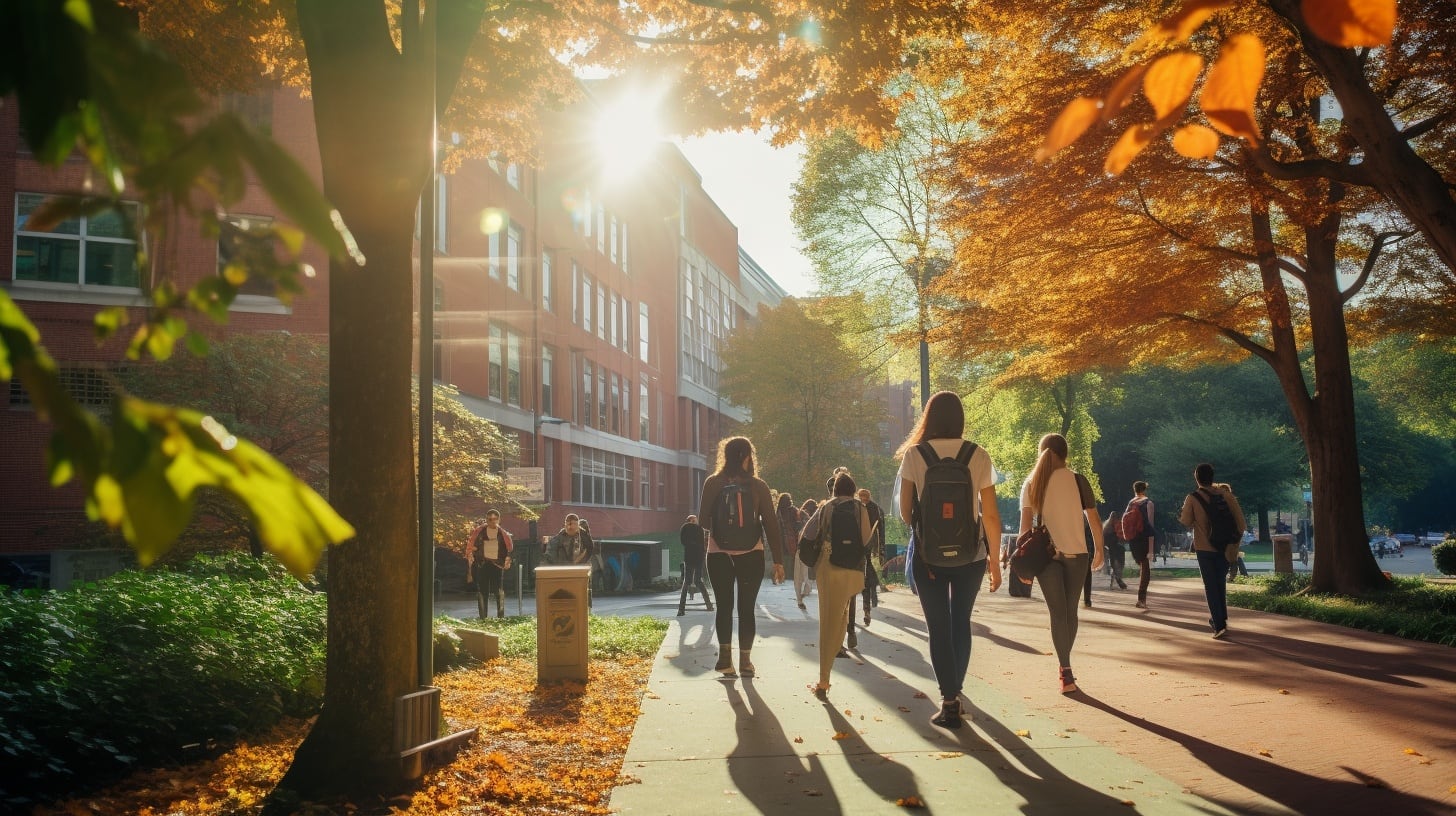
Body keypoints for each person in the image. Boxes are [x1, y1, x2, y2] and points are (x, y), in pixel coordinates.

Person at [895, 391, 1002, 728]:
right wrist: (996, 562)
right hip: (971, 555)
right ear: (960, 419)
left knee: (938, 627)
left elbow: (903, 513)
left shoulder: (915, 454)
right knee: (961, 622)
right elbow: (992, 517)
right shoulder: (978, 455)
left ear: (929, 418)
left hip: (929, 555)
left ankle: (949, 700)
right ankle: (957, 689)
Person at [1019, 433, 1104, 694]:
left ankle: (1065, 672)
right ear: (1065, 454)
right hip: (1077, 555)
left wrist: (1023, 566)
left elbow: (1025, 529)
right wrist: (1099, 548)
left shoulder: (1032, 482)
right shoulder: (1078, 480)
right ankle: (1066, 668)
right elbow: (1093, 518)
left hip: (1045, 557)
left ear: (1042, 452)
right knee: (1070, 613)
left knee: (1057, 614)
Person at [698, 436, 783, 678]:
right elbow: (771, 524)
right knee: (746, 608)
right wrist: (778, 560)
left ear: (725, 456)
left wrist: (722, 526)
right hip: (751, 554)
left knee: (723, 606)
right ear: (747, 457)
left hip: (718, 554)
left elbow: (703, 521)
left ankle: (725, 660)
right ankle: (745, 661)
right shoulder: (758, 486)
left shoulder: (713, 482)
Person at [802, 473, 872, 699]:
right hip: (852, 569)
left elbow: (808, 534)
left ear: (834, 490)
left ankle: (824, 679)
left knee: (827, 619)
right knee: (842, 614)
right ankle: (837, 645)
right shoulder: (860, 509)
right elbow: (866, 539)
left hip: (828, 565)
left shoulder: (826, 507)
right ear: (853, 489)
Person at [1178, 462, 1248, 640]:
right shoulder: (1226, 496)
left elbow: (1186, 521)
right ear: (1212, 477)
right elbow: (1241, 524)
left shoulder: (1193, 498)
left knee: (1210, 586)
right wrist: (1233, 543)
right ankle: (1221, 618)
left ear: (1196, 478)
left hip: (1204, 547)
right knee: (1220, 583)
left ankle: (1218, 624)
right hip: (1224, 547)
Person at [467, 509, 513, 618]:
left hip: (497, 565)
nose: (492, 521)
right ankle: (483, 618)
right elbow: (471, 545)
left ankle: (500, 617)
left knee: (498, 591)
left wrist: (507, 560)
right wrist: (472, 554)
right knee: (482, 592)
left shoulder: (503, 534)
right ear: (486, 519)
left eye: (494, 519)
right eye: (490, 519)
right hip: (482, 564)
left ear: (499, 520)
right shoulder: (478, 532)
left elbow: (509, 549)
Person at [1123, 481, 1155, 608]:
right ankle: (1141, 599)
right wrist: (1151, 549)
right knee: (1145, 569)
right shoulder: (1149, 503)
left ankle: (1141, 599)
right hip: (1143, 539)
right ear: (1145, 490)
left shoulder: (1130, 503)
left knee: (1141, 564)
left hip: (1133, 539)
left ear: (1134, 490)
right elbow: (1151, 526)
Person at [775, 494, 809, 610]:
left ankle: (782, 575)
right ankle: (793, 579)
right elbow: (803, 523)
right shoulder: (795, 511)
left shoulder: (778, 512)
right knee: (797, 563)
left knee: (787, 561)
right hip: (795, 541)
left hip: (782, 541)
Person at [677, 514, 712, 616]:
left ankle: (681, 609)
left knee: (686, 582)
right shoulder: (700, 529)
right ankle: (709, 605)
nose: (697, 521)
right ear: (692, 520)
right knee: (698, 581)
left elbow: (683, 542)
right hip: (698, 558)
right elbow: (702, 544)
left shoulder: (684, 528)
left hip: (688, 557)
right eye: (696, 519)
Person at [798, 497, 820, 601]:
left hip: (807, 542)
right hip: (816, 544)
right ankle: (808, 587)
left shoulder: (804, 514)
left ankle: (807, 588)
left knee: (805, 568)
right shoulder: (818, 513)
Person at [1102, 513, 1127, 590]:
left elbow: (1104, 540)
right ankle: (1117, 580)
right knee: (1119, 565)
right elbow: (1122, 538)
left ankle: (1115, 581)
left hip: (1110, 548)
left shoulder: (1106, 527)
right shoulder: (1116, 527)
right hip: (1116, 549)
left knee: (1115, 565)